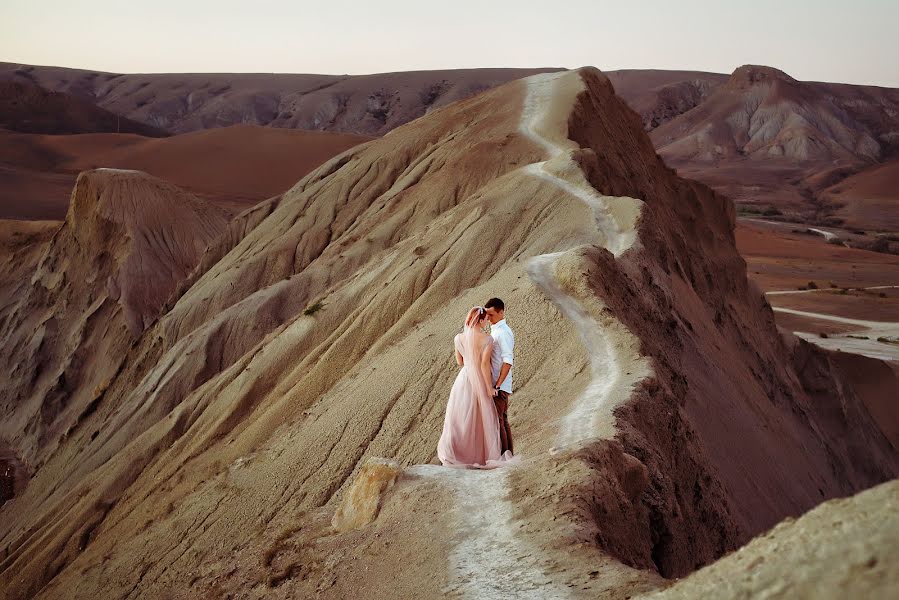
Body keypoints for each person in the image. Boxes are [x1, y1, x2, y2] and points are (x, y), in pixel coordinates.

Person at [437, 306, 515, 468]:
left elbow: (460, 362)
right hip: (478, 379)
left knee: (461, 417)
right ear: (480, 320)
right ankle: (481, 456)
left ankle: (458, 454)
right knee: (482, 419)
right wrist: (488, 387)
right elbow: (485, 365)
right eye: (486, 318)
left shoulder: (458, 338)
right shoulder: (487, 339)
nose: (487, 321)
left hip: (464, 379)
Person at [485, 297, 514, 455]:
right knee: (502, 420)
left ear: (501, 312)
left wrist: (497, 384)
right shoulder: (497, 330)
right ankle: (508, 454)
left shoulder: (502, 333)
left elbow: (508, 361)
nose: (488, 318)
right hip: (500, 383)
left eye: (492, 315)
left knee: (498, 421)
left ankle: (504, 456)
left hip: (499, 384)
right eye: (487, 315)